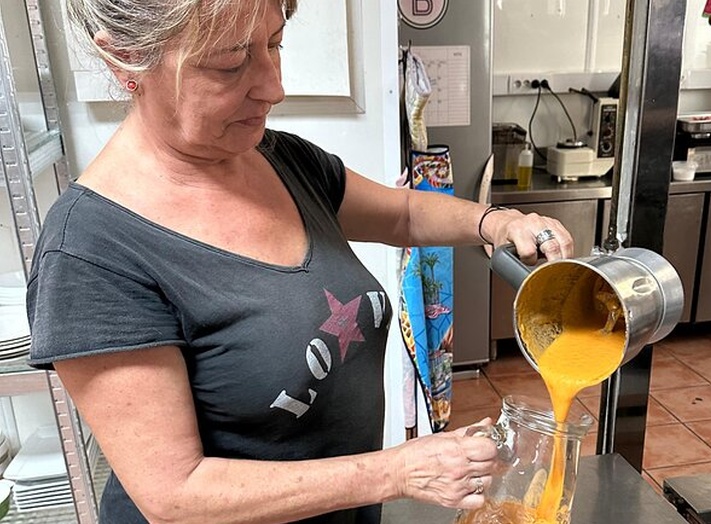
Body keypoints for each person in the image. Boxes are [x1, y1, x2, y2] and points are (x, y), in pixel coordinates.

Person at [26, 1, 575, 522]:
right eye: (229, 62)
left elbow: (403, 214)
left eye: (274, 44)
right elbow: (175, 496)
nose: (273, 87)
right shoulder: (91, 251)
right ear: (125, 59)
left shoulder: (278, 159)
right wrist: (396, 471)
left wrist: (498, 223)